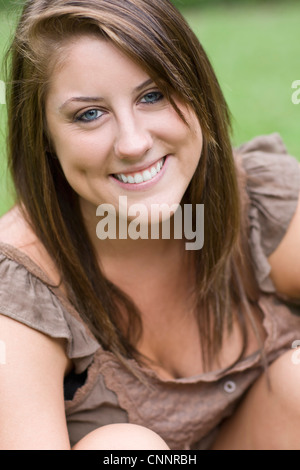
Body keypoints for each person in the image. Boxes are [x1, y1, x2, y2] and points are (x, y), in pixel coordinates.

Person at [0, 0, 300, 451]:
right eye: (89, 114)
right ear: (43, 136)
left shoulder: (258, 204)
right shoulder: (19, 291)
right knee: (123, 449)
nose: (134, 143)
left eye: (153, 95)